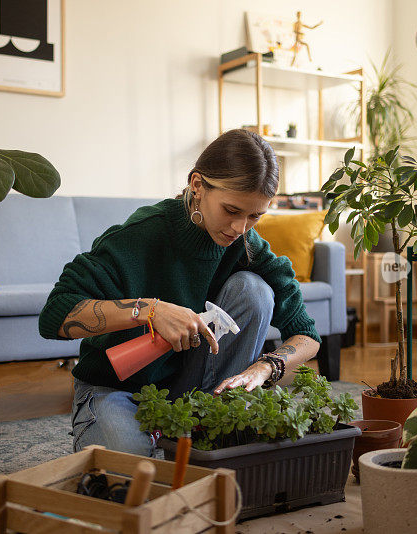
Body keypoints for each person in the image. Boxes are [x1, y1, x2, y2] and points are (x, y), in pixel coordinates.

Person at [39, 129, 321, 456]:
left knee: (254, 290)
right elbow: (54, 316)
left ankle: (204, 423)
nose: (239, 228)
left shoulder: (246, 246)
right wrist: (150, 310)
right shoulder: (139, 236)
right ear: (197, 185)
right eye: (231, 210)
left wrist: (265, 368)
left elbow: (307, 334)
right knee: (137, 478)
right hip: (117, 389)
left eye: (255, 216)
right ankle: (159, 439)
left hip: (194, 391)